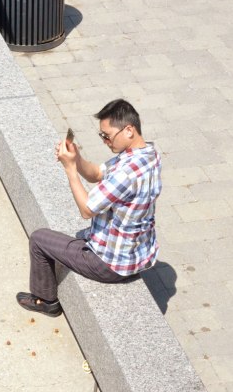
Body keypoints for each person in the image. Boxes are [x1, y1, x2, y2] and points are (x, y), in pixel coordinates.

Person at [16, 99, 162, 317]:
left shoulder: (127, 173)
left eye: (107, 135)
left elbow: (87, 210)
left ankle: (45, 300)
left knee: (39, 239)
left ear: (129, 130)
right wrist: (76, 159)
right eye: (101, 136)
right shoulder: (148, 154)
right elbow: (96, 174)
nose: (104, 141)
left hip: (109, 264)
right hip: (137, 256)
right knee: (76, 237)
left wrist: (70, 170)